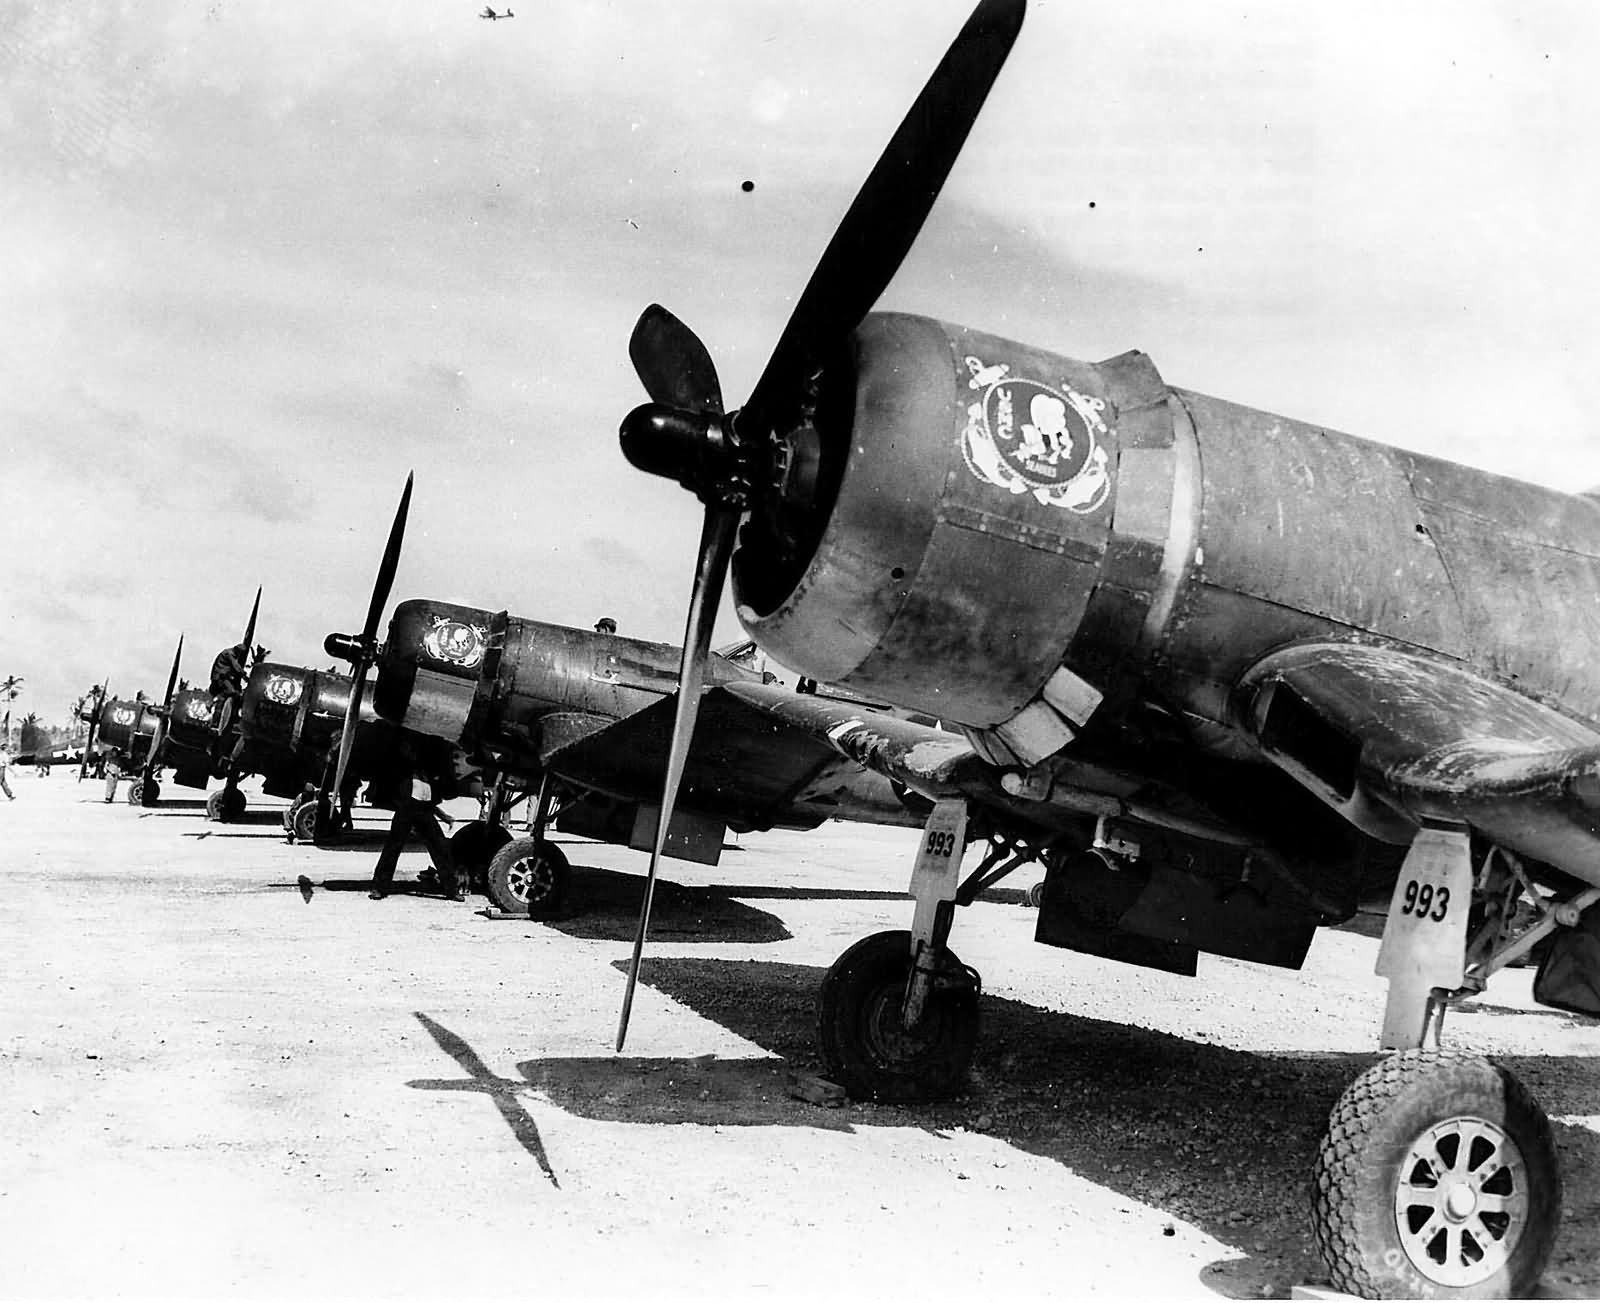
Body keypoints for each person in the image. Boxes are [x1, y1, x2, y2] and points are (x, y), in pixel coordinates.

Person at [368, 743, 464, 902]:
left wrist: (443, 815)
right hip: (407, 809)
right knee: (393, 847)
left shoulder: (429, 776)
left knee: (440, 848)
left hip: (425, 811)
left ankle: (451, 890)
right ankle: (379, 887)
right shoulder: (403, 773)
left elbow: (430, 801)